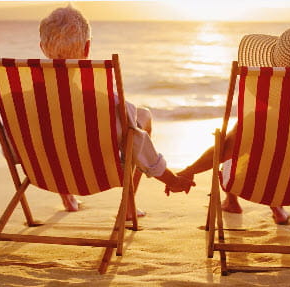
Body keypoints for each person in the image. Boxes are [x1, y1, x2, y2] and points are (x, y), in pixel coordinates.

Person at [177, 27, 290, 225]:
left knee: (234, 152)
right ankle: (278, 207)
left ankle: (232, 202)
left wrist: (188, 171)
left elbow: (222, 150)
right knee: (283, 156)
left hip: (257, 186)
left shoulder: (258, 120)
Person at [39, 6, 195, 216]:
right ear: (87, 48)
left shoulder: (16, 100)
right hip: (98, 174)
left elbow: (10, 146)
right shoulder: (104, 103)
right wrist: (172, 180)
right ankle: (128, 207)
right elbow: (138, 143)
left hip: (45, 173)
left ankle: (66, 193)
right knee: (141, 118)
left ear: (42, 48)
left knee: (60, 128)